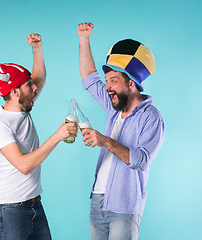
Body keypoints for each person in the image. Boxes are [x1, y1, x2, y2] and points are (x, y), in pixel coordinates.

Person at [77, 22, 165, 240]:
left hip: (124, 206)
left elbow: (141, 160)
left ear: (131, 83)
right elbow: (90, 78)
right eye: (107, 81)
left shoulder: (152, 117)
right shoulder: (114, 108)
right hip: (98, 199)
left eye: (113, 81)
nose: (107, 87)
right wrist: (84, 39)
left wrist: (106, 141)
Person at [0, 33, 77, 240]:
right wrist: (57, 136)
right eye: (28, 85)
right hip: (11, 209)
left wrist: (37, 49)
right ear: (15, 91)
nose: (35, 87)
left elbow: (40, 79)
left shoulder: (24, 109)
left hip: (35, 204)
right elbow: (24, 166)